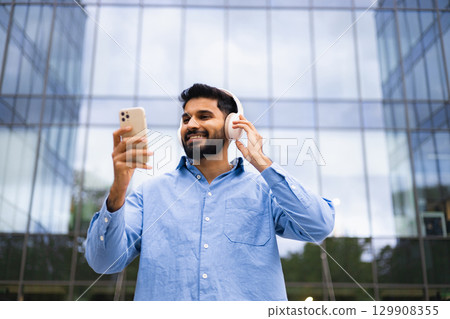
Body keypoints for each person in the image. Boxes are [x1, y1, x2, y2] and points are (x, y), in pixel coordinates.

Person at [85, 83, 335, 301]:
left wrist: (262, 162)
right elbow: (104, 263)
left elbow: (319, 226)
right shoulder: (149, 194)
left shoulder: (265, 190)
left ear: (232, 127)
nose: (191, 125)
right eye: (185, 119)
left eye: (203, 116)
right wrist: (119, 188)